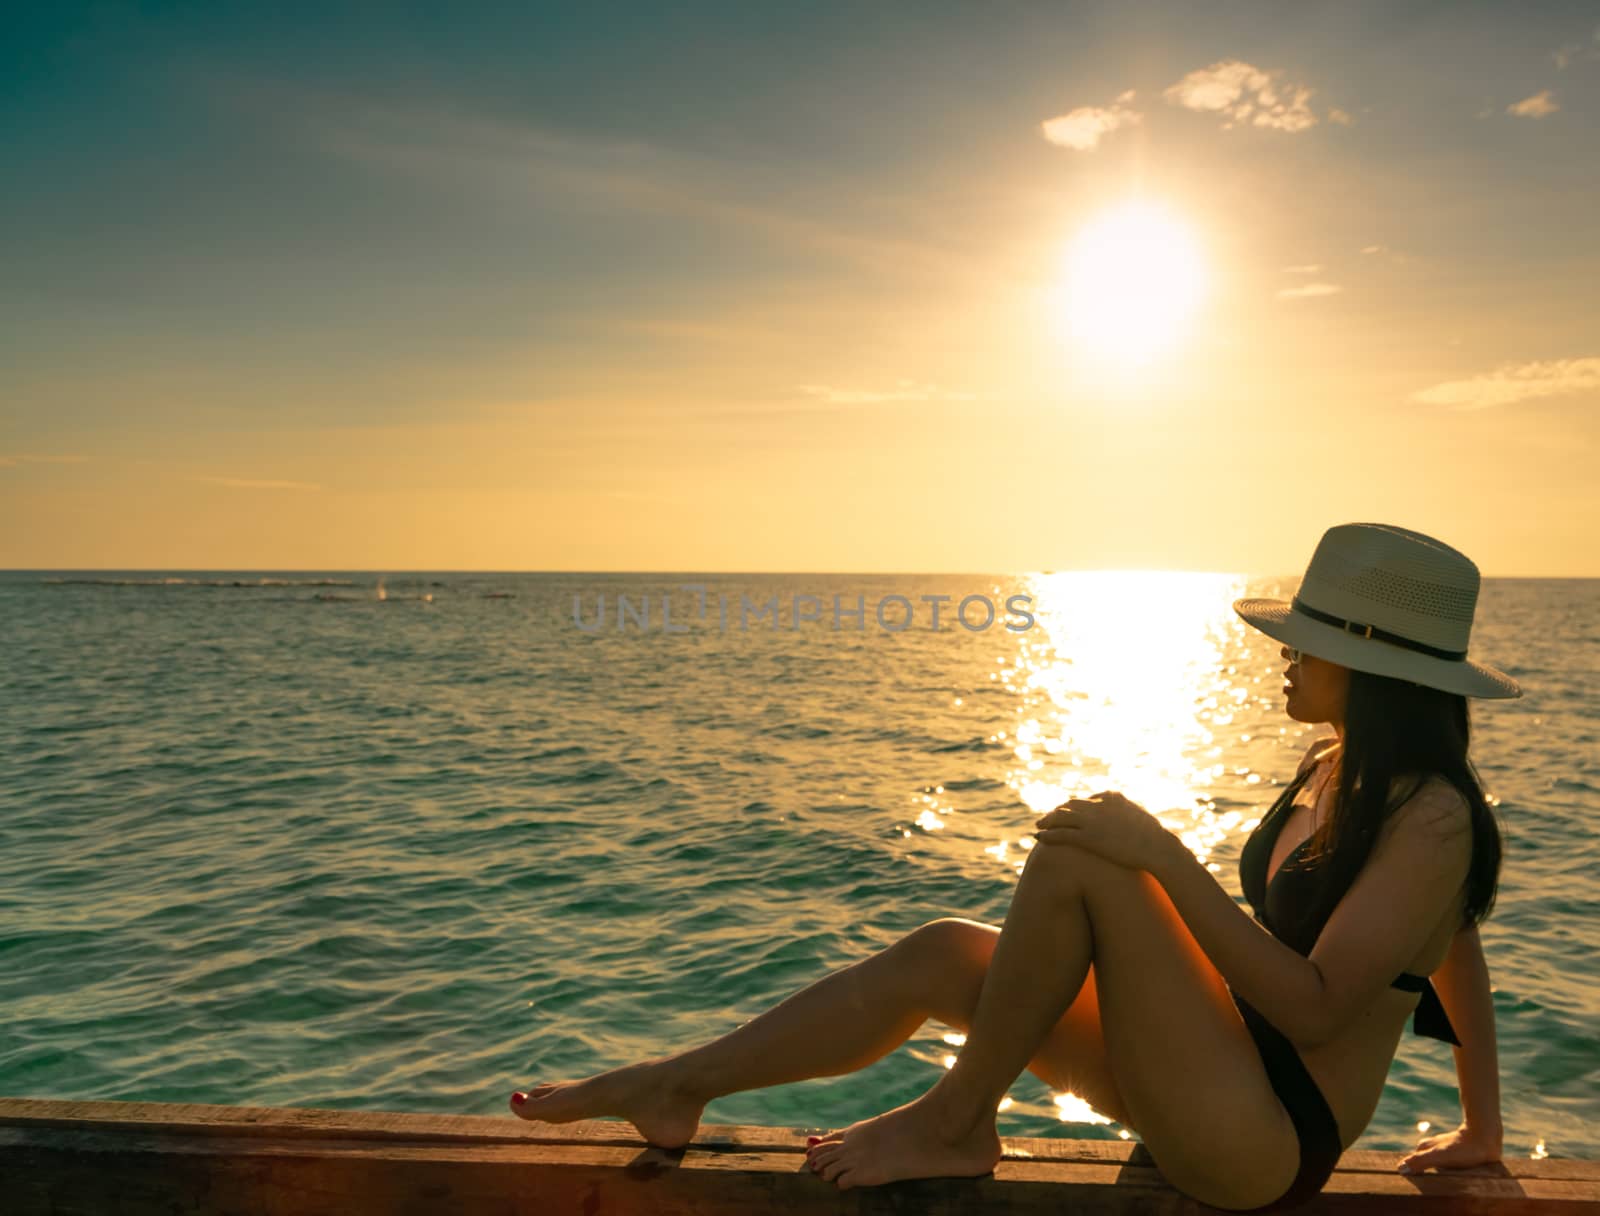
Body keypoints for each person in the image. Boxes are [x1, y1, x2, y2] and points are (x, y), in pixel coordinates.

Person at [508, 522, 1517, 1210]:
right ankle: (679, 1084)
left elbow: (1316, 1009)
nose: (1281, 657)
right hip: (1212, 1075)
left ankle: (956, 1119)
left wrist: (1163, 857)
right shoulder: (1343, 769)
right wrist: (1482, 1125)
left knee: (1098, 856)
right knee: (949, 954)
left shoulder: (1433, 816)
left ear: (1376, 662)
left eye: (1307, 641)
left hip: (1266, 1141)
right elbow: (1450, 949)